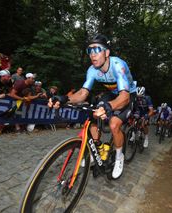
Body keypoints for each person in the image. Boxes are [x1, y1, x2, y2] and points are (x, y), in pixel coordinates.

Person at [48, 34, 137, 179]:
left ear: (107, 53)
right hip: (111, 93)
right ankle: (97, 149)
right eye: (90, 51)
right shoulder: (92, 70)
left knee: (114, 124)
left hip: (127, 95)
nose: (92, 54)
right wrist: (64, 98)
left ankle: (119, 157)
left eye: (97, 50)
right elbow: (83, 94)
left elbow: (124, 97)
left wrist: (109, 106)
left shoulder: (118, 65)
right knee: (93, 117)